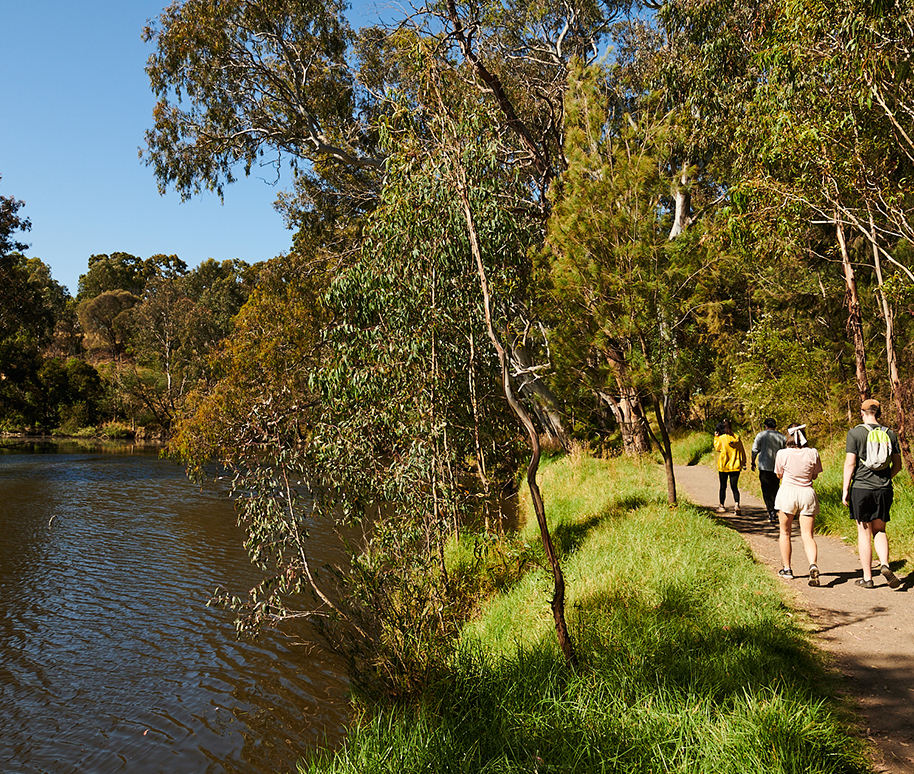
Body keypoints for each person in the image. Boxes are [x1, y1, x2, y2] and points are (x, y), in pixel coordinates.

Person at [842, 399, 902, 589]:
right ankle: (884, 564)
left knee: (864, 532)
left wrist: (845, 489)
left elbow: (850, 463)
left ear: (862, 412)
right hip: (884, 489)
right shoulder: (890, 434)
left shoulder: (855, 433)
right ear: (879, 412)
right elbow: (898, 465)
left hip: (861, 488)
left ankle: (867, 578)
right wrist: (886, 478)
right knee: (880, 530)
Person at [773, 423, 823, 585]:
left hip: (788, 493)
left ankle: (787, 569)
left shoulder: (782, 454)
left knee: (785, 533)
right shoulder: (812, 453)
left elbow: (779, 475)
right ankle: (812, 565)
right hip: (807, 494)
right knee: (808, 535)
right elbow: (814, 475)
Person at [751, 418, 786, 524]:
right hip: (777, 468)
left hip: (764, 467)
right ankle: (776, 509)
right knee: (776, 488)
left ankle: (771, 511)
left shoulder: (761, 435)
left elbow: (755, 450)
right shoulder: (782, 437)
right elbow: (785, 452)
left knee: (766, 490)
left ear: (766, 425)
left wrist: (752, 462)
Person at [713, 419, 747, 514]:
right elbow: (742, 450)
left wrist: (716, 437)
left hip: (724, 466)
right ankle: (736, 505)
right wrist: (744, 462)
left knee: (723, 486)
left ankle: (721, 506)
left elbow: (717, 448)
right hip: (736, 466)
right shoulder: (737, 437)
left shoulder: (721, 438)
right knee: (734, 487)